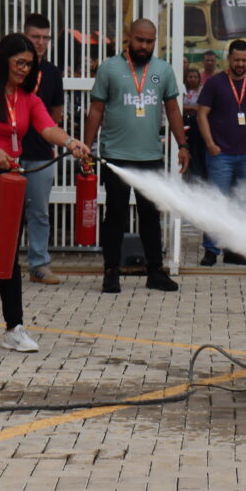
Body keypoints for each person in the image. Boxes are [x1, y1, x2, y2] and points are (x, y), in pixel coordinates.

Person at [0, 33, 89, 352]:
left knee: (7, 252)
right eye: (19, 62)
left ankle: (14, 327)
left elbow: (47, 127)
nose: (24, 69)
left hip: (7, 179)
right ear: (2, 60)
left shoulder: (27, 98)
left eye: (29, 64)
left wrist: (69, 142)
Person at [84, 18, 190, 294]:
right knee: (115, 215)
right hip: (115, 155)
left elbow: (173, 110)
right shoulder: (109, 68)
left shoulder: (163, 70)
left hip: (150, 157)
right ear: (129, 37)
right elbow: (96, 110)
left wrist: (182, 145)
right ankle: (111, 272)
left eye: (149, 41)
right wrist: (86, 147)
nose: (144, 46)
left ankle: (155, 272)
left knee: (150, 216)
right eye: (140, 40)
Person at [196, 40, 246, 266]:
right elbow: (201, 114)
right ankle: (211, 249)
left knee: (241, 204)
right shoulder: (215, 83)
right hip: (221, 155)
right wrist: (210, 143)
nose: (240, 64)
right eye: (236, 60)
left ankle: (234, 249)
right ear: (228, 59)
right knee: (216, 202)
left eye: (244, 60)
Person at [19, 13, 66, 285]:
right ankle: (1, 264)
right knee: (6, 212)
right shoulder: (13, 68)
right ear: (24, 36)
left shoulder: (52, 72)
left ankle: (38, 265)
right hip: (11, 151)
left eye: (45, 38)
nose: (40, 42)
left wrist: (48, 134)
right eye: (35, 37)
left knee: (39, 212)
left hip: (41, 153)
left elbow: (56, 112)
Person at [183, 67, 207, 179]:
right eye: (190, 77)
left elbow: (201, 107)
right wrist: (192, 108)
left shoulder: (203, 90)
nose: (192, 79)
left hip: (197, 121)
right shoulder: (183, 89)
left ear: (199, 79)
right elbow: (178, 106)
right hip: (184, 120)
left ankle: (199, 172)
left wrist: (188, 108)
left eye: (195, 77)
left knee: (198, 147)